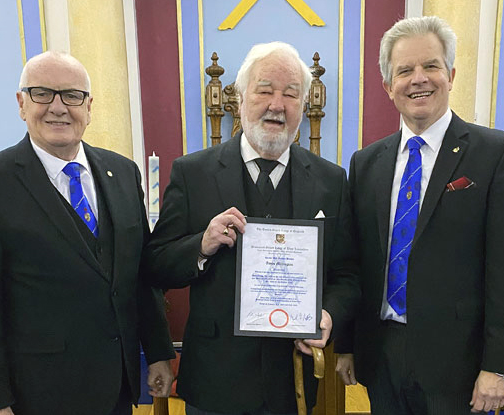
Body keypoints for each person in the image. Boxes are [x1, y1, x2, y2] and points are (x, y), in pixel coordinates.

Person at [329, 16, 504, 414]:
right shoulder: (366, 163)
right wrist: (349, 345)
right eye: (404, 70)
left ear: (451, 74)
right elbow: (357, 261)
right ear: (389, 86)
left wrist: (499, 366)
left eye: (431, 66)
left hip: (459, 364)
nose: (418, 79)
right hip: (382, 353)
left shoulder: (498, 154)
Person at [0, 51, 175, 415]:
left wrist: (159, 352)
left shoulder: (123, 173)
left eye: (71, 95)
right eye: (42, 93)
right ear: (21, 104)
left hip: (117, 388)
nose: (58, 107)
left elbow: (139, 276)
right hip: (36, 396)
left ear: (89, 107)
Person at [144, 41, 359, 415]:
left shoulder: (331, 181)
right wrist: (201, 245)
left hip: (294, 380)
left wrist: (327, 315)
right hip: (215, 381)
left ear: (303, 107)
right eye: (264, 90)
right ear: (241, 99)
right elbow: (156, 263)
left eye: (291, 94)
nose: (277, 104)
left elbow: (348, 274)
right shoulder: (192, 173)